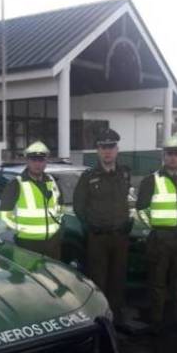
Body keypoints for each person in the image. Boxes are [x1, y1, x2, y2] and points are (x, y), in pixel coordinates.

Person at [136, 136, 177, 333]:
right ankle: (156, 321)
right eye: (169, 154)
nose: (173, 158)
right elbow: (141, 209)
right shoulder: (152, 180)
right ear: (163, 157)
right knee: (157, 282)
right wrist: (157, 227)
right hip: (161, 239)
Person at [73, 128, 132, 324]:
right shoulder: (88, 177)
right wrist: (91, 226)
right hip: (97, 238)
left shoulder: (124, 174)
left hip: (120, 237)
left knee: (118, 279)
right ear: (98, 151)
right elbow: (79, 207)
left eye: (111, 147)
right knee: (98, 280)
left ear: (117, 149)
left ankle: (118, 318)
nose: (107, 151)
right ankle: (102, 320)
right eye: (103, 147)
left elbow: (125, 201)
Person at [0, 141, 63, 260]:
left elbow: (60, 207)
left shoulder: (52, 181)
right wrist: (21, 230)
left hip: (52, 244)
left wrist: (58, 228)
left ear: (46, 161)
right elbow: (4, 215)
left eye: (41, 160)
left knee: (52, 278)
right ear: (27, 161)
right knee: (31, 278)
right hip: (27, 245)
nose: (38, 164)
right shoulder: (16, 184)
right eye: (34, 160)